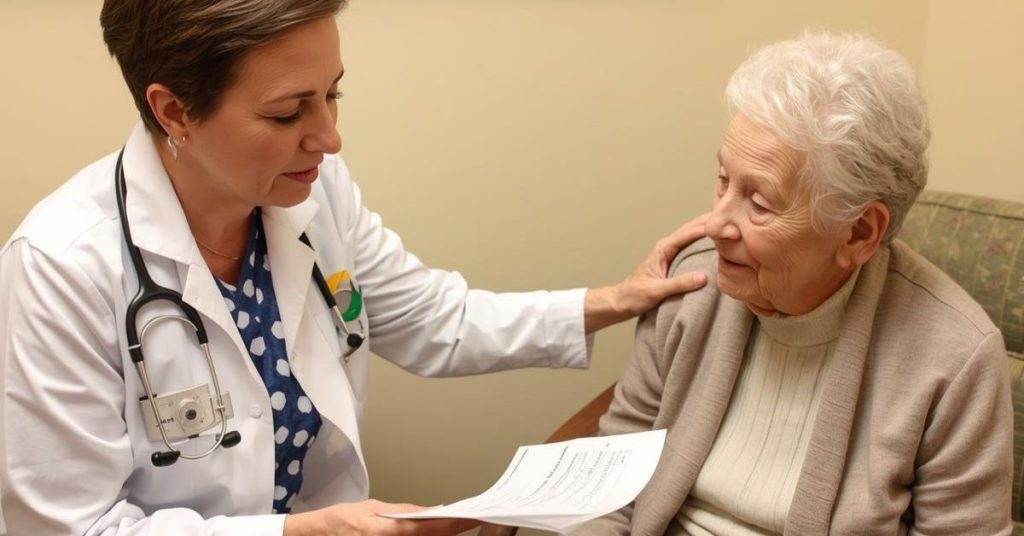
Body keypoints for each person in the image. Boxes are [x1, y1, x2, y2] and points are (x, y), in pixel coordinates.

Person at [0, 2, 711, 535]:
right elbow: (72, 527)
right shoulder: (61, 269)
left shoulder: (311, 192)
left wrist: (617, 299)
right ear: (174, 111)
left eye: (333, 93)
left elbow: (433, 317)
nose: (330, 137)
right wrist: (290, 533)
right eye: (287, 113)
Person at [570, 32, 1013, 536]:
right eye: (722, 179)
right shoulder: (692, 285)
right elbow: (607, 486)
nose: (716, 224)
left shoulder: (955, 357)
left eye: (759, 203)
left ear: (859, 232)